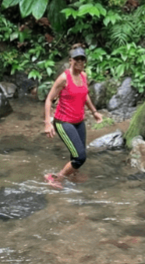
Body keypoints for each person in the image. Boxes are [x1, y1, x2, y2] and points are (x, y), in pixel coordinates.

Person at [43, 44, 103, 188]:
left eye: (82, 59)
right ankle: (56, 178)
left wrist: (94, 112)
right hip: (63, 122)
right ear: (70, 60)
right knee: (80, 156)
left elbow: (85, 95)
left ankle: (73, 174)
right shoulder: (64, 78)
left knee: (77, 152)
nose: (80, 62)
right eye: (76, 59)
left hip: (78, 121)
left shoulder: (83, 76)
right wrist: (47, 123)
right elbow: (49, 99)